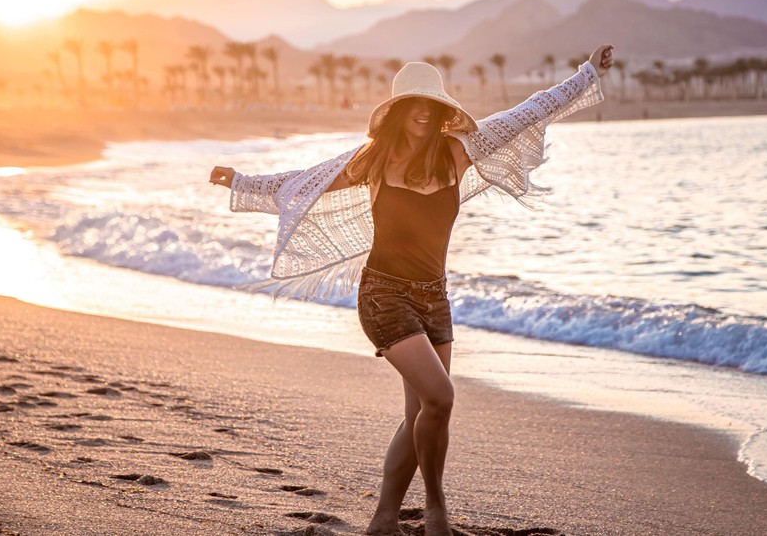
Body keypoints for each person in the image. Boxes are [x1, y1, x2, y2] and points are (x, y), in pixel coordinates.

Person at [210, 45, 613, 535]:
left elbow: (529, 111)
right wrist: (242, 181)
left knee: (422, 411)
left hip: (434, 297)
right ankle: (436, 513)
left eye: (432, 104)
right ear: (398, 111)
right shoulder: (373, 161)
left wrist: (586, 73)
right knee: (440, 399)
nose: (423, 112)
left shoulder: (459, 152)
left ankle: (384, 520)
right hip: (384, 296)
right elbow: (302, 184)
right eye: (413, 103)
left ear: (443, 111)